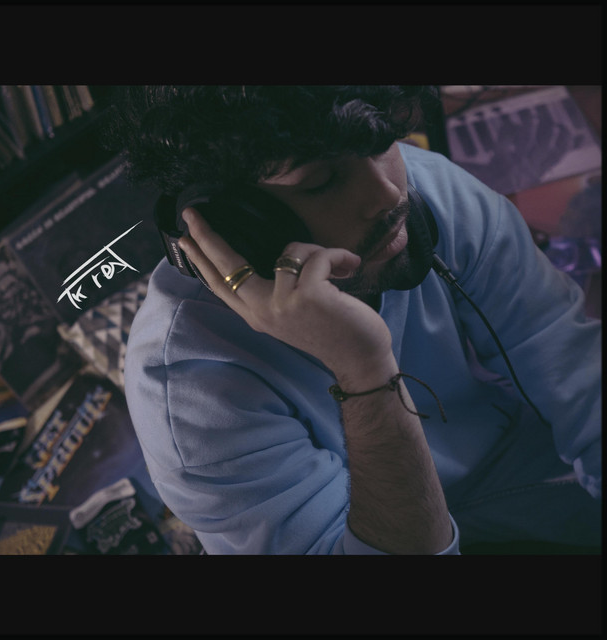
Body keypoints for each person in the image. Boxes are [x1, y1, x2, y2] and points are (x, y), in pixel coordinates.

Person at [104, 86, 601, 554]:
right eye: (321, 181)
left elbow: (582, 379)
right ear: (237, 220)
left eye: (384, 143)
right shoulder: (189, 388)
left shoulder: (433, 193)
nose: (387, 195)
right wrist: (364, 371)